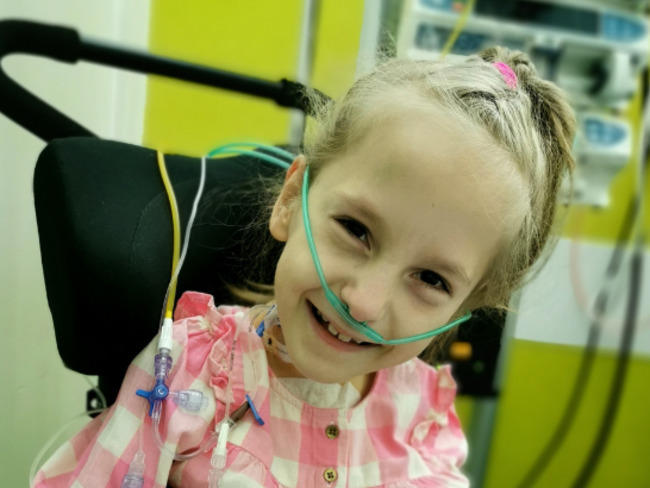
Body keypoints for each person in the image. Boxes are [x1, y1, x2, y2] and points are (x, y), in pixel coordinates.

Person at [32, 46, 575, 487]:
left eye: (432, 280)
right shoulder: (189, 378)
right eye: (356, 230)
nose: (362, 302)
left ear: (463, 308)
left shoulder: (421, 416)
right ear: (291, 199)